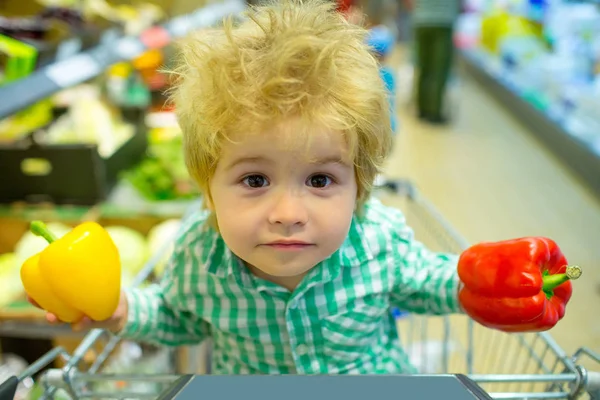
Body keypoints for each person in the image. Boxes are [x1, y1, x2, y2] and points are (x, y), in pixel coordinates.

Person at [30, 0, 559, 375]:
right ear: (207, 188)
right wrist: (123, 310)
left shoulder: (377, 243)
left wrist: (488, 285)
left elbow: (430, 282)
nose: (288, 211)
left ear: (361, 187)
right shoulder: (198, 253)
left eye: (321, 179)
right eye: (255, 179)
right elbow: (177, 316)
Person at [408, 0, 462, 124]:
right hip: (442, 20)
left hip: (422, 19)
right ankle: (434, 111)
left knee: (423, 66)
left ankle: (421, 108)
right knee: (439, 69)